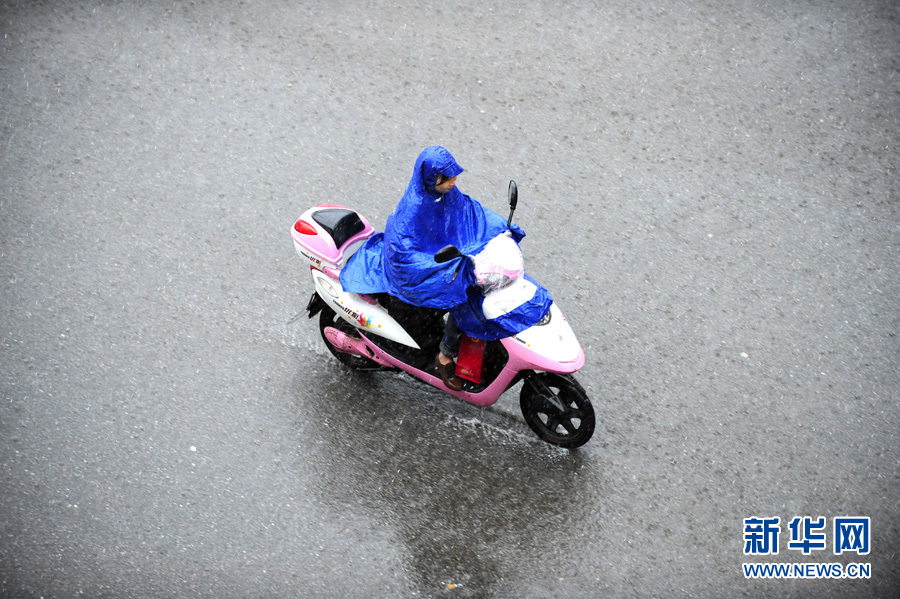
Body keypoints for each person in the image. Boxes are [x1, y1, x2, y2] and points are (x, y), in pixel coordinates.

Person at [340, 145, 524, 390]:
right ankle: (445, 356)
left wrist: (501, 228)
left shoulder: (447, 193)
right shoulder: (411, 212)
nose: (452, 183)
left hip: (440, 256)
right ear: (429, 178)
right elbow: (404, 256)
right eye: (446, 178)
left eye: (454, 177)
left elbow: (471, 213)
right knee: (462, 295)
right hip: (411, 273)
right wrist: (447, 266)